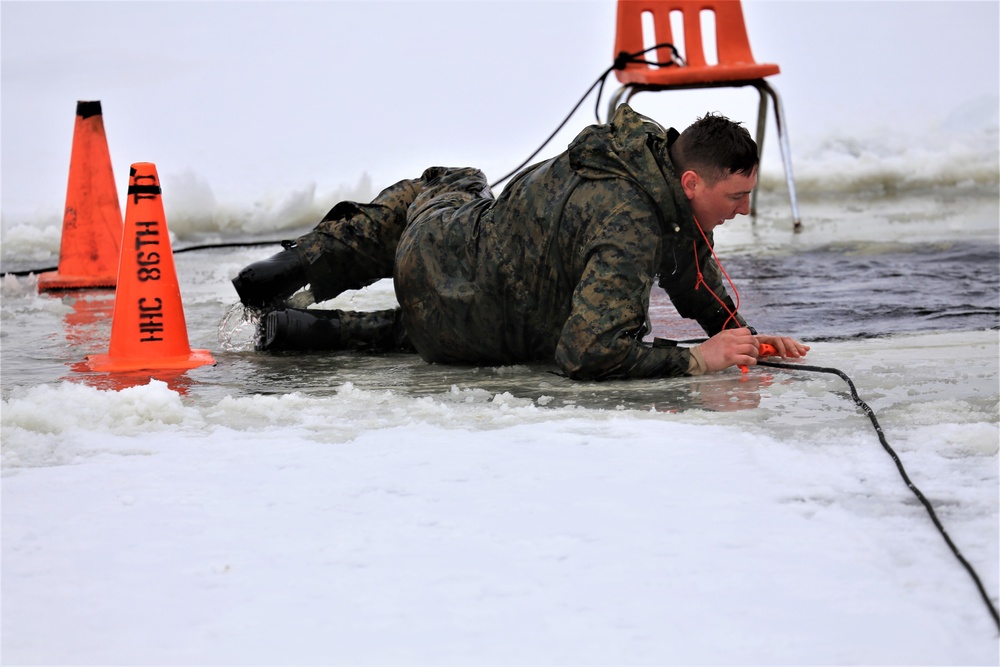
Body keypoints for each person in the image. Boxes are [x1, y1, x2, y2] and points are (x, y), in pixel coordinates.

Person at [231, 104, 809, 380]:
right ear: (691, 182)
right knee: (449, 187)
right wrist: (694, 360)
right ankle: (311, 310)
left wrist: (742, 339)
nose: (745, 209)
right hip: (464, 330)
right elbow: (589, 354)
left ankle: (305, 267)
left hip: (449, 278)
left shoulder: (654, 182)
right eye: (736, 197)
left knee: (444, 189)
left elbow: (689, 270)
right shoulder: (631, 223)